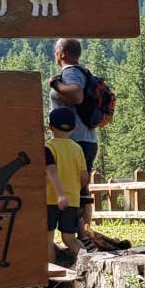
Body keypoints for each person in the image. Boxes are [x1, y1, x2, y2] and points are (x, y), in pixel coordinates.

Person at [46, 38, 99, 224]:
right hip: (88, 138)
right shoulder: (83, 71)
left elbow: (76, 95)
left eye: (56, 50)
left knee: (72, 186)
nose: (55, 54)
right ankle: (84, 231)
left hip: (74, 139)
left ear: (61, 53)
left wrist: (55, 84)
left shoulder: (70, 72)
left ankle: (78, 231)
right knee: (82, 187)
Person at [42, 106, 90, 264]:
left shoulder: (48, 147)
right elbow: (84, 176)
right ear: (74, 128)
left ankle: (50, 272)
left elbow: (51, 171)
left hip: (51, 199)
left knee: (47, 240)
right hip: (72, 200)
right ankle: (90, 264)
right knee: (69, 238)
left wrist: (60, 195)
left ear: (50, 127)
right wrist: (75, 190)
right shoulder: (77, 148)